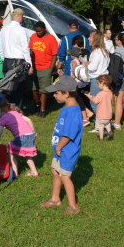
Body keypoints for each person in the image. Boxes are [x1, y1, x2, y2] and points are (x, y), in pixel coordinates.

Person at [40, 76, 82, 215]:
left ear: (66, 93)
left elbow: (69, 134)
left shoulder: (73, 112)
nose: (54, 95)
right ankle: (55, 199)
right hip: (60, 149)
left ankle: (73, 206)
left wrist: (58, 147)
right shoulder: (66, 106)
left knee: (65, 176)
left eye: (56, 92)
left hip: (67, 150)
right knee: (55, 171)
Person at [0, 8, 33, 106]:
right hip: (18, 62)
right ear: (21, 16)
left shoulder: (4, 29)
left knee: (7, 88)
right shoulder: (21, 30)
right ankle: (16, 113)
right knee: (18, 89)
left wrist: (4, 59)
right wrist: (29, 64)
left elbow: (0, 48)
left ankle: (6, 112)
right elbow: (25, 49)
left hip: (6, 61)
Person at [0, 99, 39, 177]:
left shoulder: (2, 118)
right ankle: (34, 172)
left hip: (22, 136)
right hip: (30, 134)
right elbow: (28, 120)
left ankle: (15, 173)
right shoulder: (15, 112)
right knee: (27, 154)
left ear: (0, 109)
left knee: (11, 151)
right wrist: (33, 131)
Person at [29, 21, 58, 118]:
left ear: (44, 29)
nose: (38, 33)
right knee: (34, 90)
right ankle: (36, 107)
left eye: (40, 31)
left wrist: (50, 68)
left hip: (45, 67)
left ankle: (42, 110)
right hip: (34, 67)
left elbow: (54, 55)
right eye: (36, 31)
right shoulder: (33, 37)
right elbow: (30, 50)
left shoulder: (51, 39)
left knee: (43, 90)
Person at [86, 30, 110, 125]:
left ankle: (102, 125)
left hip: (97, 80)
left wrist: (86, 64)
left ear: (95, 39)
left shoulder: (96, 52)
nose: (88, 38)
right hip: (104, 77)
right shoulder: (105, 51)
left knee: (95, 103)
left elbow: (93, 67)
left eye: (90, 37)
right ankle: (101, 125)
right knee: (102, 104)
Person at [87, 75, 114, 141]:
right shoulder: (110, 93)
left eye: (98, 84)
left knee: (100, 127)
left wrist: (89, 96)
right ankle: (109, 132)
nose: (98, 86)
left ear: (103, 83)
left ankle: (101, 138)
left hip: (101, 115)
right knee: (107, 124)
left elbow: (95, 101)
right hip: (108, 115)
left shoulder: (101, 93)